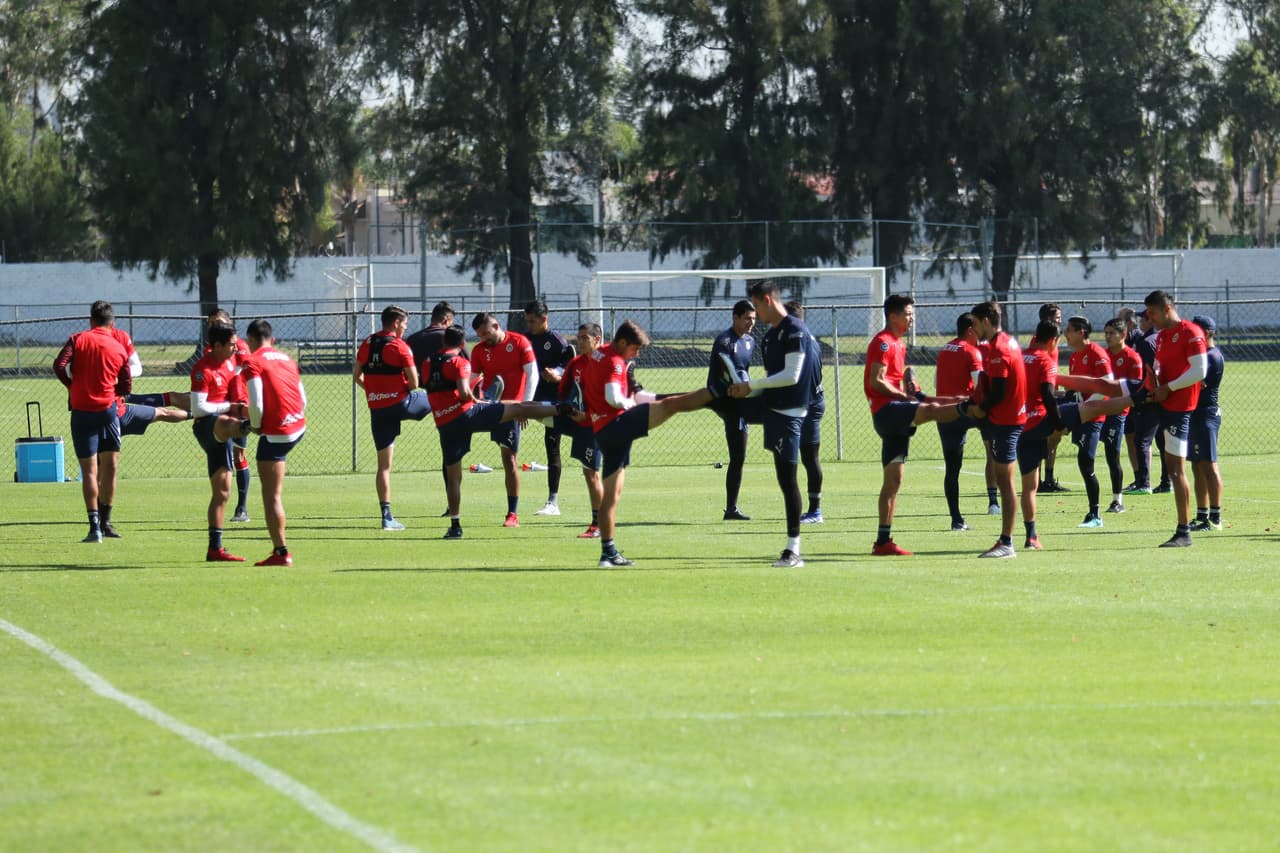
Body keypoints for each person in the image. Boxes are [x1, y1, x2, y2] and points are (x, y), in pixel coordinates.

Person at [588, 320, 731, 567]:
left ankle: (607, 553)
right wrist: (629, 404)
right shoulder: (615, 361)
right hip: (617, 425)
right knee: (670, 405)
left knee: (611, 496)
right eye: (635, 348)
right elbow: (613, 397)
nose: (637, 354)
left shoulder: (600, 352)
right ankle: (717, 391)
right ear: (622, 342)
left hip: (602, 431)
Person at [425, 327, 574, 540]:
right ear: (462, 344)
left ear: (443, 342)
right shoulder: (460, 362)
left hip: (445, 422)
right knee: (517, 408)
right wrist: (477, 399)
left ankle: (455, 525)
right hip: (469, 414)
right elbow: (465, 393)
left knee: (453, 475)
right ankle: (560, 408)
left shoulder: (428, 362)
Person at [864, 294, 971, 557]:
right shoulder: (883, 342)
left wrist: (909, 386)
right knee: (929, 410)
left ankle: (883, 542)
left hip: (896, 419)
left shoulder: (899, 345)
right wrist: (904, 396)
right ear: (893, 316)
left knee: (893, 481)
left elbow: (896, 379)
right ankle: (967, 410)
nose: (912, 318)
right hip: (887, 411)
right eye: (908, 314)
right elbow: (876, 380)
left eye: (912, 314)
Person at [726, 283, 821, 567]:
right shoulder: (769, 337)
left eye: (756, 305)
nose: (755, 313)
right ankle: (663, 403)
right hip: (772, 409)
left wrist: (751, 386)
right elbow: (772, 381)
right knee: (721, 401)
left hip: (790, 415)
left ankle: (793, 550)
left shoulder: (795, 330)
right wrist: (744, 390)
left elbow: (791, 376)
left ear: (767, 300)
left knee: (788, 480)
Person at [52, 300, 133, 543]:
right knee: (111, 467)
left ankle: (94, 527)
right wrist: (114, 391)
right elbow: (126, 384)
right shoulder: (118, 346)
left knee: (89, 471)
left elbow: (59, 365)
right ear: (112, 323)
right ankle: (107, 521)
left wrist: (72, 385)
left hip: (81, 411)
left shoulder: (77, 339)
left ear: (91, 321)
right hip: (108, 411)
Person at [354, 305, 430, 530]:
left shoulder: (367, 343)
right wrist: (396, 391)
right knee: (436, 397)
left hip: (378, 409)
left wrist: (374, 392)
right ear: (396, 323)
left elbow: (356, 376)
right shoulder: (400, 346)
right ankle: (474, 399)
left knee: (384, 466)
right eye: (404, 324)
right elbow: (414, 383)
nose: (405, 328)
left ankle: (386, 517)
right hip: (401, 404)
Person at [1143, 289, 1208, 547]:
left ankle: (1184, 532)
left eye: (1153, 313)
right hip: (1164, 406)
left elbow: (1200, 370)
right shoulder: (1162, 336)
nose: (1150, 318)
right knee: (1172, 469)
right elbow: (1160, 364)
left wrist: (1168, 388)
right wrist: (1155, 378)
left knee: (1177, 471)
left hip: (1180, 411)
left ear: (1167, 309)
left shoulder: (1191, 332)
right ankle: (1183, 529)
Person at [243, 319, 307, 566]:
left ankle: (281, 553)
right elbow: (302, 399)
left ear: (250, 339)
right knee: (274, 492)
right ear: (272, 339)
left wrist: (255, 426)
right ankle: (279, 551)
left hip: (277, 433)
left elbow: (256, 404)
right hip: (298, 425)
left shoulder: (252, 361)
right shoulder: (287, 359)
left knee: (271, 496)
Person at [969, 300, 1027, 559]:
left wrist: (981, 408)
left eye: (975, 323)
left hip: (1007, 422)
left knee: (1005, 482)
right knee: (1005, 480)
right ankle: (1008, 540)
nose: (973, 328)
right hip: (1008, 419)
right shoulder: (1007, 342)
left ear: (986, 321)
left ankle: (1006, 542)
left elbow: (999, 392)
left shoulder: (999, 349)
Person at [190, 323, 253, 562]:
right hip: (206, 426)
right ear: (216, 346)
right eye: (231, 345)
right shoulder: (202, 369)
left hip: (224, 428)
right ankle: (250, 426)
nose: (236, 348)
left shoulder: (230, 363)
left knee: (223, 490)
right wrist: (230, 407)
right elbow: (198, 408)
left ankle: (214, 549)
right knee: (227, 421)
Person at [470, 312, 538, 527]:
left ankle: (512, 513)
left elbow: (533, 375)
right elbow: (472, 380)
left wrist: (525, 406)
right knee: (453, 443)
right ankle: (452, 509)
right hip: (489, 408)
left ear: (496, 326)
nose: (483, 338)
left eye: (485, 333)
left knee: (509, 459)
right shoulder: (479, 350)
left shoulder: (519, 342)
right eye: (479, 335)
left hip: (512, 409)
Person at [934, 311, 986, 531]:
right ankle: (996, 501)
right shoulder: (972, 352)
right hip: (966, 410)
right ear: (970, 330)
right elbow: (981, 387)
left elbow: (936, 382)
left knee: (952, 469)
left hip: (944, 412)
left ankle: (956, 519)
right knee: (1000, 447)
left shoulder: (945, 349)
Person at [524, 300, 576, 518]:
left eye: (532, 321)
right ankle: (511, 507)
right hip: (528, 401)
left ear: (544, 319)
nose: (529, 325)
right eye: (527, 321)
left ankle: (552, 502)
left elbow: (568, 365)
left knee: (552, 447)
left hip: (552, 403)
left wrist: (557, 374)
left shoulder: (556, 341)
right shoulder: (524, 339)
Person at [1063, 316, 1114, 528]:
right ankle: (1093, 513)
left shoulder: (1097, 354)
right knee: (1083, 462)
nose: (1065, 334)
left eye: (1069, 330)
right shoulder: (1075, 356)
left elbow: (1107, 385)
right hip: (1079, 414)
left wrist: (1086, 407)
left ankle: (1095, 515)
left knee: (1086, 462)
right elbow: (1075, 389)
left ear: (1081, 332)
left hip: (1093, 416)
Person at [709, 299, 757, 520]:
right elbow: (724, 375)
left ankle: (731, 509)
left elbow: (743, 372)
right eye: (747, 318)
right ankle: (731, 509)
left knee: (739, 456)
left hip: (742, 399)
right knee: (738, 455)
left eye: (753, 318)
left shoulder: (749, 341)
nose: (751, 322)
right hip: (726, 400)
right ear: (735, 317)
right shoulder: (724, 341)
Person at [1017, 321, 1063, 550]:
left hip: (1017, 424)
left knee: (1027, 485)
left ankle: (1030, 535)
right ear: (1053, 340)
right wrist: (1058, 425)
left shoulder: (1019, 356)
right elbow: (1048, 395)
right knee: (1082, 412)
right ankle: (1031, 537)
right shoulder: (1046, 361)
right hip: (1038, 423)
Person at [559, 323, 606, 538]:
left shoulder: (605, 363)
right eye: (579, 337)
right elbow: (565, 391)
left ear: (598, 339)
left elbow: (609, 398)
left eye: (585, 337)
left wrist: (587, 415)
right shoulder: (576, 363)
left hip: (597, 426)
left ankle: (599, 525)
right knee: (589, 473)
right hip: (580, 424)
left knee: (592, 474)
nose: (580, 341)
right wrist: (568, 408)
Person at [207, 308, 253, 523]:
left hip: (237, 408)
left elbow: (248, 372)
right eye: (210, 323)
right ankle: (219, 504)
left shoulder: (239, 347)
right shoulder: (212, 348)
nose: (213, 325)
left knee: (239, 456)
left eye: (217, 322)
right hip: (217, 408)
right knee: (219, 456)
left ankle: (242, 508)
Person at [786, 301, 826, 525]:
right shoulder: (809, 338)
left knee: (809, 458)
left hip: (808, 404)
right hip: (811, 401)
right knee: (807, 458)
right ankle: (812, 509)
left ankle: (815, 510)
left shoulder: (801, 341)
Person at [1101, 317, 1143, 514]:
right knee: (1086, 455)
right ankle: (1093, 505)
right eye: (1106, 333)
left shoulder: (1132, 358)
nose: (1107, 337)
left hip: (1117, 413)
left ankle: (1117, 500)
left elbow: (1136, 389)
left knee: (1113, 456)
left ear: (1123, 335)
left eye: (1112, 333)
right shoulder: (1103, 356)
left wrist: (1117, 400)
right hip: (1097, 410)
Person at [1188, 315, 1225, 533]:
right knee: (1196, 465)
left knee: (1209, 465)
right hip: (1196, 414)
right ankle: (1202, 515)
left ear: (1208, 332)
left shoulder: (1212, 357)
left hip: (1206, 414)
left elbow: (1194, 382)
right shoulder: (1201, 356)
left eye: (1198, 330)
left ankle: (1215, 517)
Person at [1126, 309, 1167, 495]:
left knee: (1141, 440)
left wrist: (1148, 394)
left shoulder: (1146, 342)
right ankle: (1167, 482)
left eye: (1143, 318)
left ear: (1151, 320)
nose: (1140, 321)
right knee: (1162, 441)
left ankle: (1144, 483)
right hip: (1165, 395)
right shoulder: (1161, 338)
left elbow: (1150, 372)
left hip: (1150, 397)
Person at [1036, 302, 1069, 493]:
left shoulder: (1053, 340)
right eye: (1057, 317)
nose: (1060, 320)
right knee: (1043, 438)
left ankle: (1048, 478)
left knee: (1054, 438)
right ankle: (1038, 480)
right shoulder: (1040, 341)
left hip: (1052, 392)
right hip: (1044, 396)